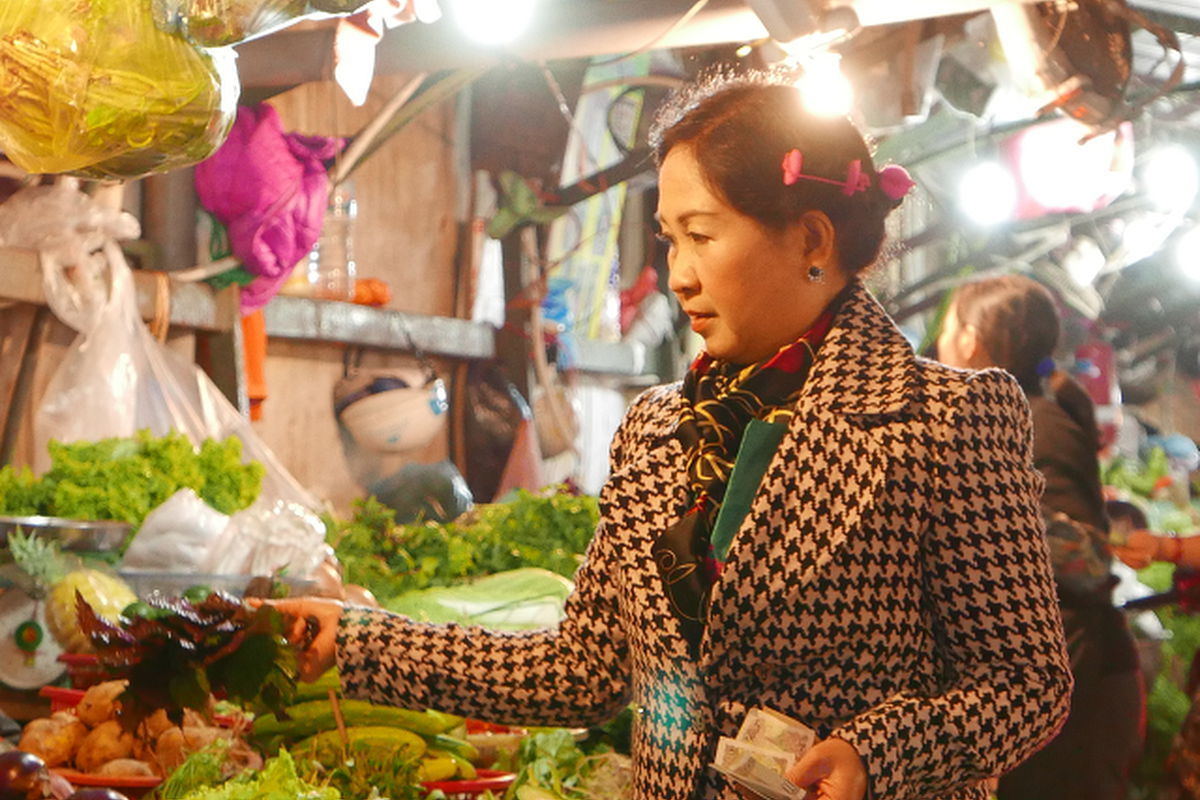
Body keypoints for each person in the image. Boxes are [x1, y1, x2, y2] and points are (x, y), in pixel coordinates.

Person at [266, 72, 1071, 800]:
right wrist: (362, 642)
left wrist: (875, 754)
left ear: (813, 241)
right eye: (669, 238)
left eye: (705, 234)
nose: (679, 272)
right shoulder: (658, 429)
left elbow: (1027, 682)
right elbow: (580, 671)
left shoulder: (940, 420)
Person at [936, 274, 1143, 800]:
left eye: (949, 324)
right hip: (1065, 677)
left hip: (1076, 682)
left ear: (971, 340)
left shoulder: (1034, 422)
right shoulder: (1020, 412)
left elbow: (1086, 558)